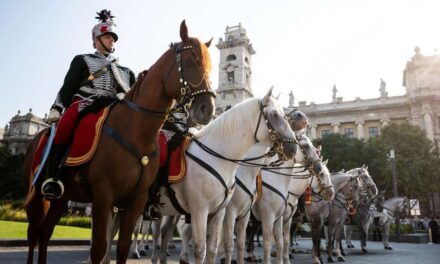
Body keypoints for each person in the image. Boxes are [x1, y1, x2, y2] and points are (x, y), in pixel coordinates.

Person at [41, 9, 135, 200]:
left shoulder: (126, 72)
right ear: (96, 40)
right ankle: (53, 177)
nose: (112, 41)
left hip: (113, 108)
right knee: (65, 124)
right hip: (85, 103)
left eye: (113, 38)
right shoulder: (83, 60)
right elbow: (68, 88)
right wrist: (57, 107)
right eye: (107, 37)